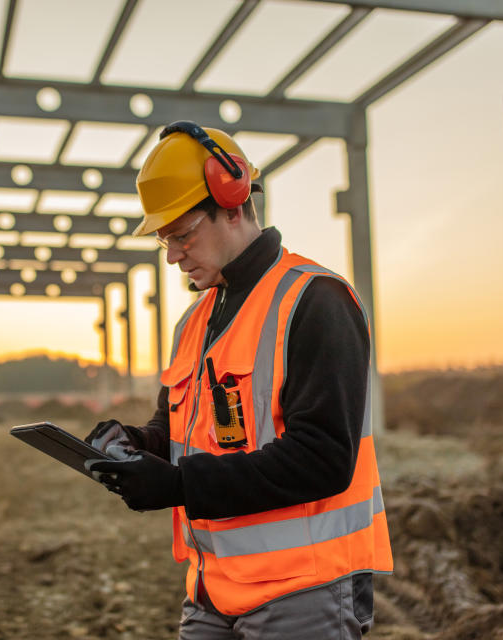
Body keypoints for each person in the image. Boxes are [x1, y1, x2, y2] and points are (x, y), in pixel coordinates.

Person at [85, 121, 392, 639]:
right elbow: (180, 426)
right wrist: (136, 444)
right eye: (165, 239)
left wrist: (179, 485)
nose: (173, 255)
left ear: (232, 202)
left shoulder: (315, 301)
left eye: (183, 235)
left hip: (305, 590)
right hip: (212, 586)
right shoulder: (195, 320)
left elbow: (323, 459)